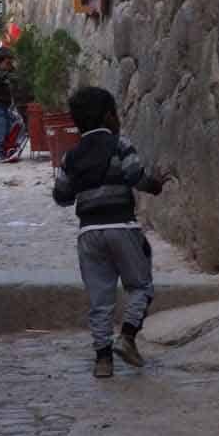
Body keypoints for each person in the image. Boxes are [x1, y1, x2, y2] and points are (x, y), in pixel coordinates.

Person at [53, 87, 166, 378]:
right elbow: (134, 176)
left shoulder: (71, 156)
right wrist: (155, 184)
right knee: (141, 286)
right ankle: (127, 337)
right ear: (108, 116)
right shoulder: (120, 144)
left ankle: (103, 360)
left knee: (99, 298)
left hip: (88, 233)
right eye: (115, 113)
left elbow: (62, 195)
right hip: (121, 227)